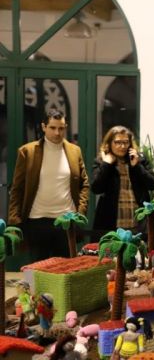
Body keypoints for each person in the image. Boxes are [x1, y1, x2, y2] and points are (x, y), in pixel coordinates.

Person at [8, 109, 89, 262]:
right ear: (43, 127)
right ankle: (33, 279)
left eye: (61, 128)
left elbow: (84, 184)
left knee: (66, 268)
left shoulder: (75, 151)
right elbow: (17, 188)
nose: (57, 133)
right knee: (36, 268)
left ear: (65, 127)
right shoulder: (27, 152)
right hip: (37, 219)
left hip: (67, 220)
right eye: (52, 128)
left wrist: (80, 212)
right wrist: (15, 220)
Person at [91, 126, 154, 233]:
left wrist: (137, 166)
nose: (122, 146)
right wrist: (106, 165)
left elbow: (153, 184)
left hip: (138, 222)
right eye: (118, 142)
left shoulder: (138, 159)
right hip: (111, 222)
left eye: (126, 142)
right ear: (109, 143)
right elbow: (96, 188)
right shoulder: (102, 161)